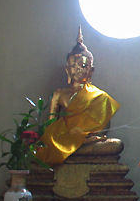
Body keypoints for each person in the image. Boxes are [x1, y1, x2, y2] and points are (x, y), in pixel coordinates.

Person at [36, 28, 120, 165]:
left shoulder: (100, 96)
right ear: (67, 69)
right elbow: (50, 128)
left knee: (115, 145)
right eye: (73, 66)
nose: (78, 69)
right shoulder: (59, 94)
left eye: (83, 65)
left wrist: (85, 136)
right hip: (62, 141)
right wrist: (69, 135)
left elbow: (103, 131)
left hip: (89, 143)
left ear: (91, 70)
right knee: (36, 148)